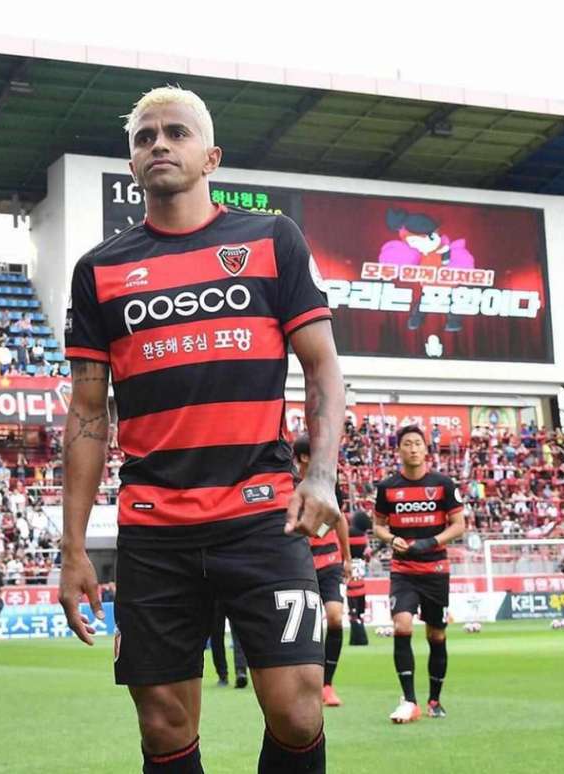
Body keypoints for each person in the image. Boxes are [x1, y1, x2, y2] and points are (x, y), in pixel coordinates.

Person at [58, 85, 344, 774]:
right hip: (156, 529)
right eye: (144, 136)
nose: (158, 143)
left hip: (261, 518)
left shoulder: (272, 239)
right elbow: (89, 413)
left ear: (210, 155)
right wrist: (72, 548)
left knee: (300, 707)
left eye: (176, 133)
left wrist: (322, 473)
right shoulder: (99, 272)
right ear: (131, 164)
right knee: (163, 724)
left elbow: (324, 368)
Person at [374, 425, 465, 723]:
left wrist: (432, 541)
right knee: (401, 626)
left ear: (426, 449)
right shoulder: (387, 487)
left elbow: (459, 524)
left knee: (436, 634)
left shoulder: (443, 484)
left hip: (435, 569)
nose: (412, 448)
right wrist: (390, 539)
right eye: (407, 444)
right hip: (403, 570)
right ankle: (409, 700)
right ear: (398, 450)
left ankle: (434, 700)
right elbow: (378, 525)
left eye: (417, 444)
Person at [293, 433, 350, 707]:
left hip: (329, 562)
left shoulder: (328, 483)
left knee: (335, 618)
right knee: (306, 627)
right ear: (305, 456)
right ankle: (304, 684)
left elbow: (338, 520)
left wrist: (347, 557)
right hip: (300, 564)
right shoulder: (289, 484)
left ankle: (327, 684)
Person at [346, 510, 371, 647]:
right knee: (359, 613)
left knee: (353, 612)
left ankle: (358, 638)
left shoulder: (349, 534)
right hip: (361, 581)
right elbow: (367, 556)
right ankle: (359, 637)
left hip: (349, 581)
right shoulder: (363, 538)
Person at [209, 601, 248, 689]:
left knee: (236, 633)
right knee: (216, 636)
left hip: (231, 593)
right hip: (216, 594)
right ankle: (231, 672)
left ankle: (238, 672)